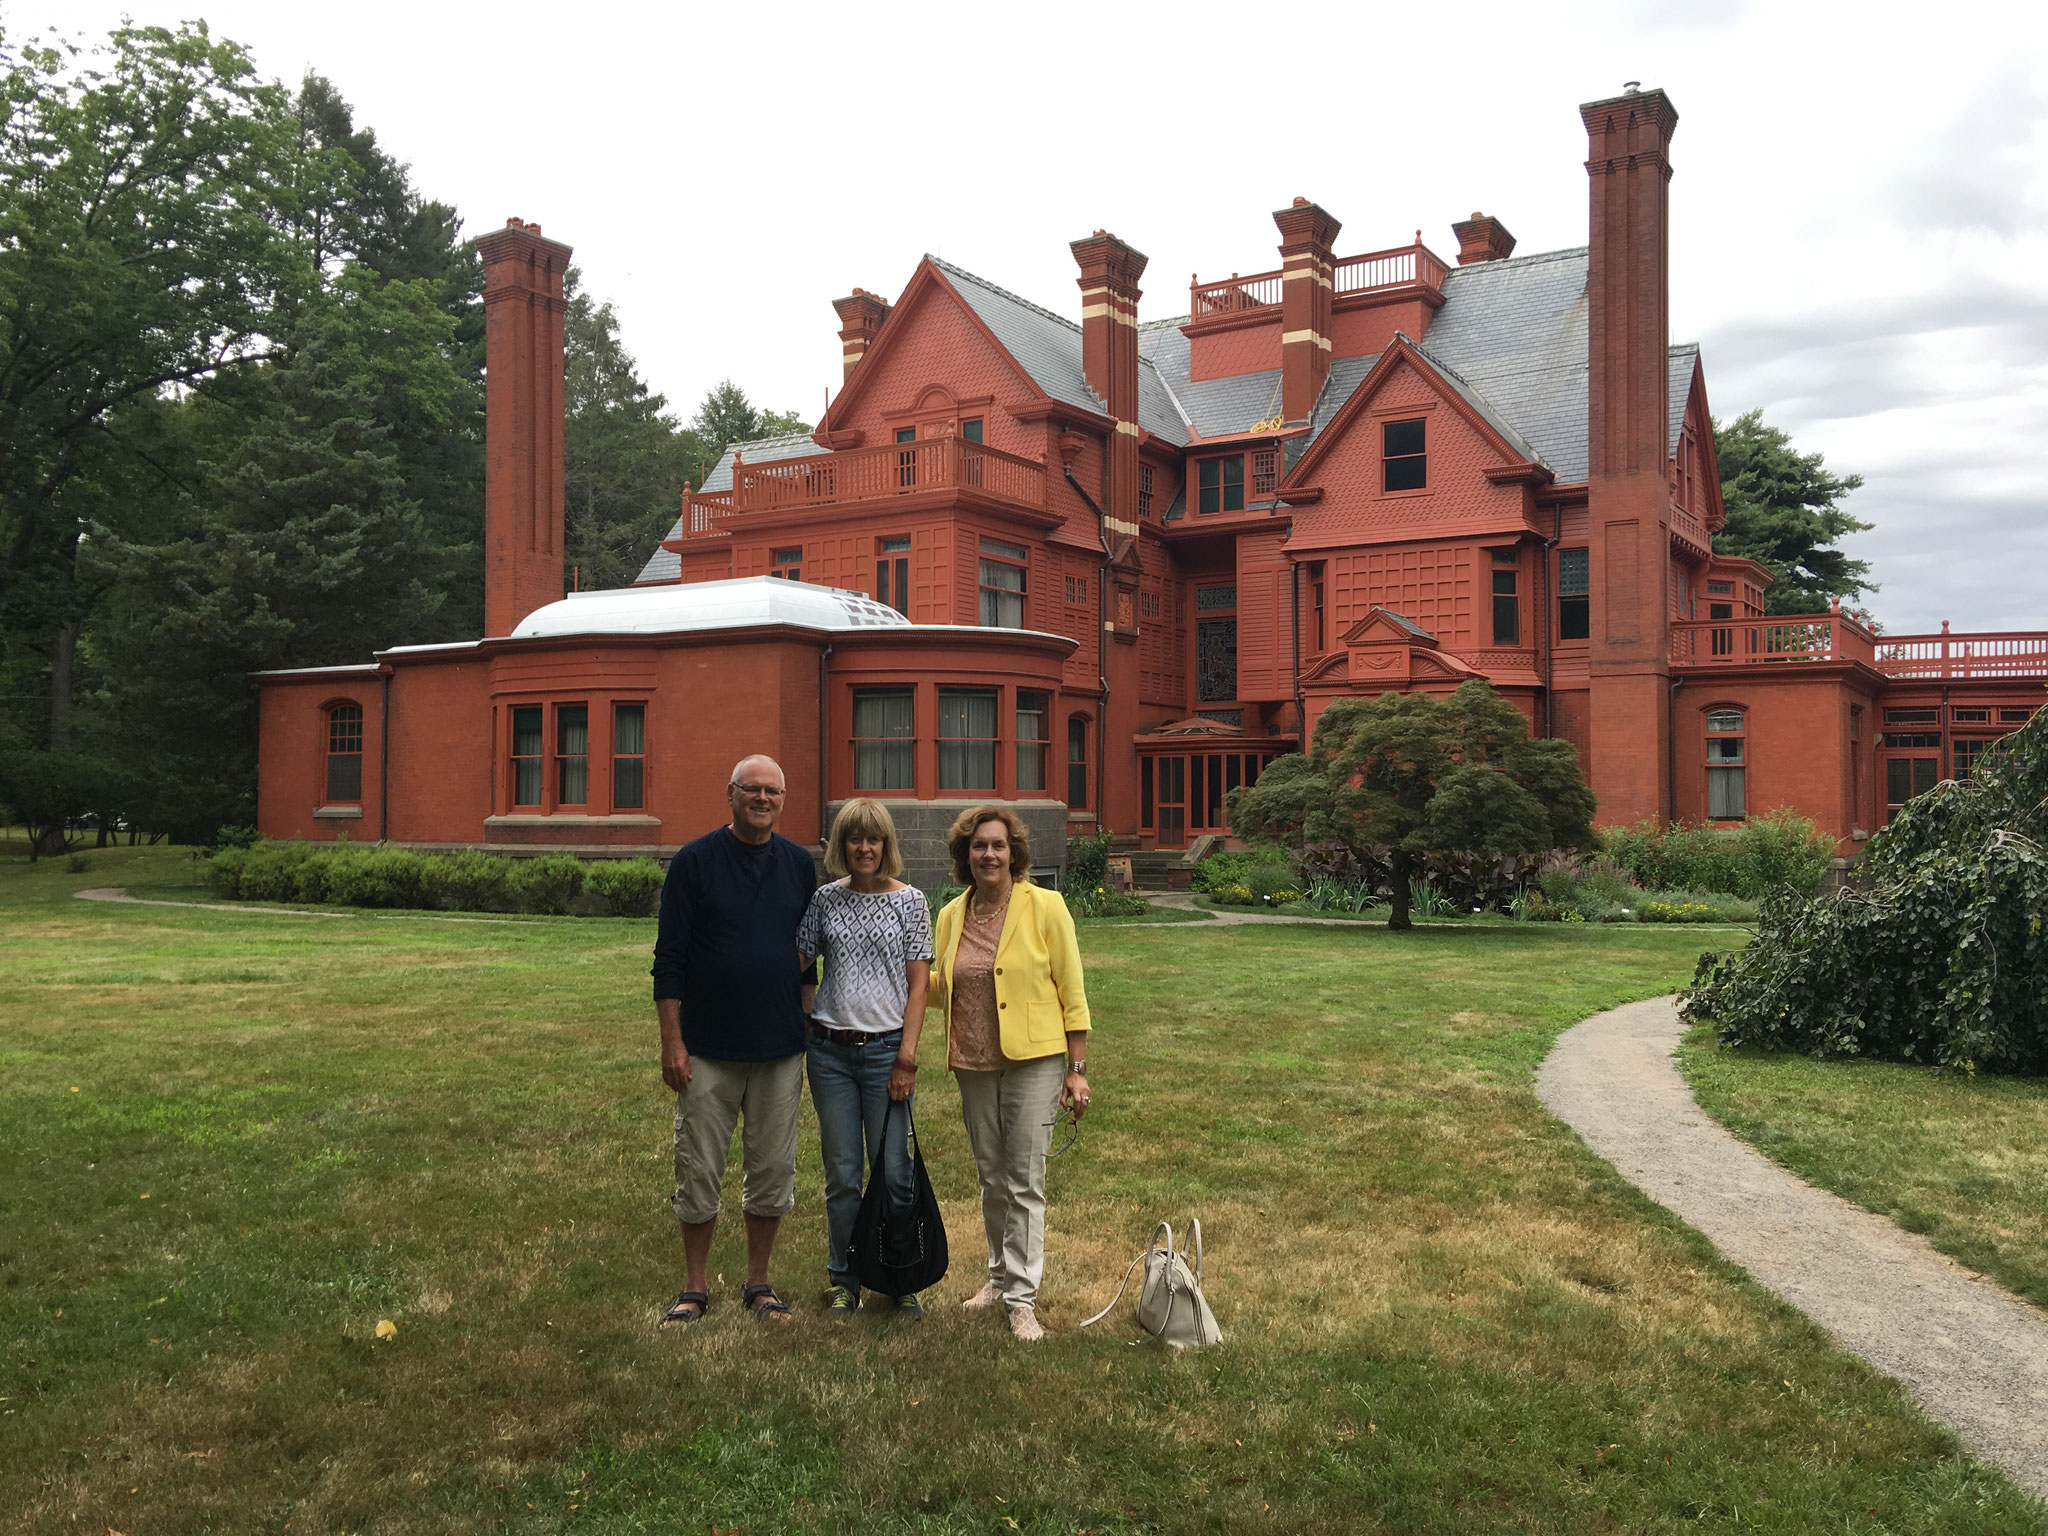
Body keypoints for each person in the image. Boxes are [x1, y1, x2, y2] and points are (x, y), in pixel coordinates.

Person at [650, 754, 817, 1325]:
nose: (763, 799)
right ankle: (694, 1287)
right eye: (753, 790)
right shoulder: (694, 863)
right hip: (707, 1048)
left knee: (772, 1169)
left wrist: (805, 1024)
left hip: (778, 1050)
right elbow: (667, 961)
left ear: (782, 799)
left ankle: (757, 1282)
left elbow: (807, 961)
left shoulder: (798, 865)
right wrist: (673, 1042)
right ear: (731, 794)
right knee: (698, 1167)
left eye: (773, 791)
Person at [927, 805, 1092, 1342]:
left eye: (998, 845)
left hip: (1034, 1061)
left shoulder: (1045, 906)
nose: (989, 854)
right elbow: (939, 984)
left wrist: (1077, 1068)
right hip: (972, 1062)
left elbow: (1071, 987)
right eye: (978, 846)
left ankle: (1022, 1298)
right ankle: (997, 1278)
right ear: (964, 855)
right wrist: (897, 976)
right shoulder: (951, 914)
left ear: (1014, 852)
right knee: (991, 1178)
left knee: (1024, 1181)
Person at [796, 798, 933, 1320]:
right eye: (853, 838)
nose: (864, 848)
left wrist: (906, 1058)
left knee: (895, 1172)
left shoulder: (911, 902)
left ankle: (900, 1280)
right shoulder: (826, 901)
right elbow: (796, 962)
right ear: (840, 847)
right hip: (830, 1055)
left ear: (886, 845)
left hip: (886, 1056)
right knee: (843, 1173)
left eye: (873, 839)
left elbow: (919, 988)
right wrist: (808, 1014)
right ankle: (844, 1279)